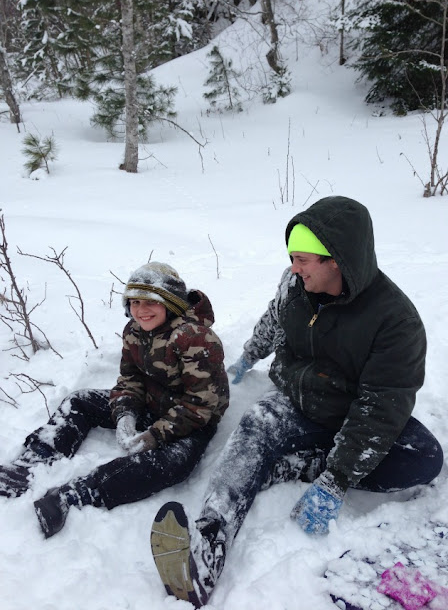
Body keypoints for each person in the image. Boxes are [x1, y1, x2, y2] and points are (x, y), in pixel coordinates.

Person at [149, 196, 444, 608]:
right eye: (291, 258)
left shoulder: (395, 321)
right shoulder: (295, 286)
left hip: (352, 413)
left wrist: (337, 479)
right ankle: (206, 549)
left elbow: (381, 407)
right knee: (256, 428)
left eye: (303, 259)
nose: (293, 268)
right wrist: (247, 358)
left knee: (425, 458)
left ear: (336, 260)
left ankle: (304, 466)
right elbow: (274, 320)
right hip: (296, 401)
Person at [0, 262, 229, 539]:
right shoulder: (134, 331)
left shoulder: (196, 338)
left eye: (150, 302)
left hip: (191, 422)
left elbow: (201, 404)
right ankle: (31, 464)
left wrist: (154, 436)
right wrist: (125, 414)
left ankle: (79, 493)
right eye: (134, 302)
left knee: (174, 464)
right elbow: (130, 378)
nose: (141, 310)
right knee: (80, 401)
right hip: (151, 405)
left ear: (170, 303)